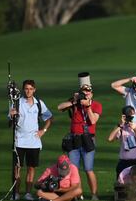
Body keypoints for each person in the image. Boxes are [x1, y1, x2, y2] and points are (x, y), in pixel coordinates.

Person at [57, 72, 102, 200]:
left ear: (92, 94)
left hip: (88, 139)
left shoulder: (96, 105)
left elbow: (93, 121)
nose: (86, 93)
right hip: (74, 139)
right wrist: (74, 102)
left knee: (88, 169)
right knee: (74, 170)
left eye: (88, 92)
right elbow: (59, 107)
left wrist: (87, 107)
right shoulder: (75, 103)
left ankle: (94, 195)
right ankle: (78, 194)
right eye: (84, 91)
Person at [9, 79, 53, 200]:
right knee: (17, 168)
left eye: (31, 89)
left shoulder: (39, 103)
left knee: (31, 168)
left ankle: (28, 193)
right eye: (26, 89)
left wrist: (42, 131)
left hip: (34, 142)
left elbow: (50, 118)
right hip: (19, 141)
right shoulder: (16, 103)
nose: (28, 91)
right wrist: (12, 115)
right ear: (23, 89)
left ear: (34, 90)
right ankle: (16, 193)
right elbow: (10, 124)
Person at [108, 105, 136, 178]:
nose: (130, 118)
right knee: (121, 187)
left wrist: (135, 129)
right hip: (124, 162)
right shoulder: (121, 127)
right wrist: (120, 125)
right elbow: (110, 139)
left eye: (131, 116)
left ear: (134, 113)